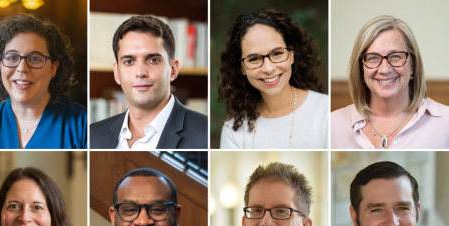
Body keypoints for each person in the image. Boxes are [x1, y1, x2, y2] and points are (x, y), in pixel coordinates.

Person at [0, 14, 87, 149]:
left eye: (35, 58)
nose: (22, 68)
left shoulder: (83, 126)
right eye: (12, 57)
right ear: (0, 64)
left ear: (53, 68)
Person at [90, 16, 208, 149]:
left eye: (153, 60)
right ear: (117, 73)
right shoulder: (93, 135)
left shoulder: (205, 134)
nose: (140, 72)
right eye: (129, 61)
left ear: (173, 70)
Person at [331, 15, 449, 149]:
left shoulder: (445, 122)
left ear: (413, 65)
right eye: (373, 58)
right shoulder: (332, 124)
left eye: (395, 56)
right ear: (360, 68)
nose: (385, 69)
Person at [218, 8, 328, 149]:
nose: (268, 69)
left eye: (276, 53)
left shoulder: (325, 112)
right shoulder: (234, 129)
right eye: (254, 59)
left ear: (292, 55)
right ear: (241, 68)